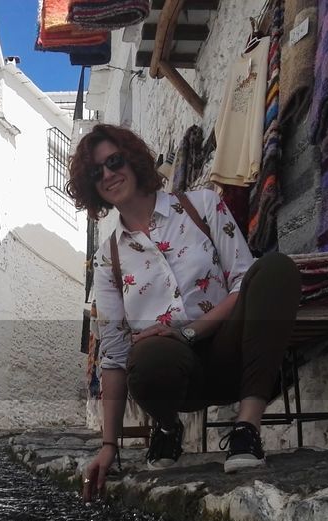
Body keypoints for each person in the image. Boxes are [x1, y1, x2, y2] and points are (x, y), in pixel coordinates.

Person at [68, 124, 301, 498]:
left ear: (133, 159)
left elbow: (243, 282)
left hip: (234, 351)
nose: (109, 174)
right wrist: (109, 446)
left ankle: (246, 431)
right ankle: (166, 427)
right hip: (173, 379)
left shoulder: (203, 206)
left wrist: (188, 331)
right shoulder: (108, 258)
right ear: (91, 187)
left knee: (274, 269)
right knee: (145, 355)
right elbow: (112, 355)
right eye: (97, 172)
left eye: (114, 161)